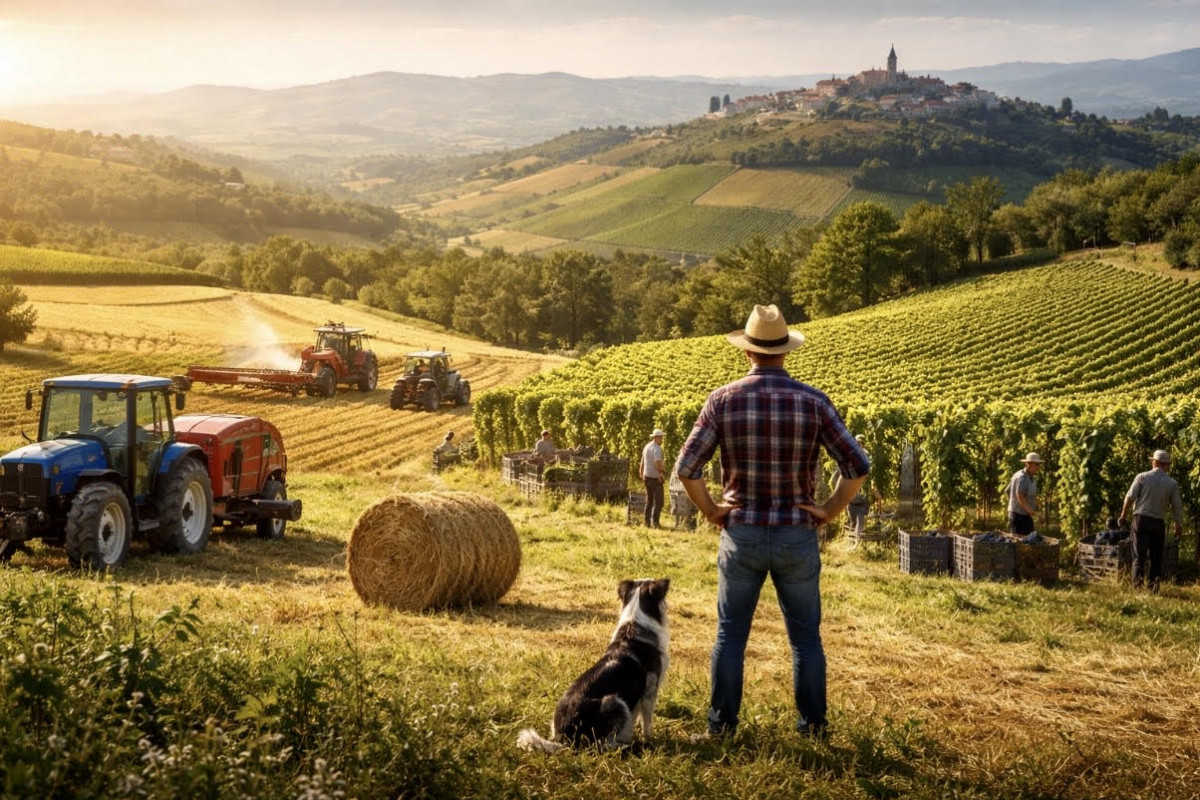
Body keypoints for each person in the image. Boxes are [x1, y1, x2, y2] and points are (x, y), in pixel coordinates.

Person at [676, 303, 869, 741]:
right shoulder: (813, 401)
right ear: (785, 352)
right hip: (795, 535)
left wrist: (712, 511)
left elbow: (687, 468)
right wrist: (829, 510)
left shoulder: (722, 400)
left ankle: (721, 728)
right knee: (805, 639)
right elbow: (856, 465)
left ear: (747, 352)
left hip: (740, 532)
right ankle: (813, 729)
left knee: (730, 635)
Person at [1118, 449, 1183, 591]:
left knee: (1138, 557)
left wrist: (1123, 516)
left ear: (1155, 462)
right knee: (1155, 557)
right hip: (1158, 523)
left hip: (1141, 520)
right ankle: (1153, 587)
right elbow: (1177, 506)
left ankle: (1138, 587)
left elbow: (1130, 498)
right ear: (1166, 465)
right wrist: (1179, 525)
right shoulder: (1172, 483)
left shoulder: (1142, 477)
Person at [1006, 453, 1043, 535]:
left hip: (1025, 514)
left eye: (1039, 464)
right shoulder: (1022, 477)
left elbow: (1008, 490)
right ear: (1028, 464)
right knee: (1019, 542)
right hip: (1018, 515)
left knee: (1030, 539)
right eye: (1036, 464)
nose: (1038, 467)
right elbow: (1019, 495)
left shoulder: (1031, 477)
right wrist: (1030, 511)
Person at [640, 429, 666, 528]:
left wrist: (641, 472)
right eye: (661, 438)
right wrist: (661, 473)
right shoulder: (657, 449)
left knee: (649, 500)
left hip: (646, 477)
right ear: (657, 438)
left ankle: (646, 522)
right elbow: (657, 463)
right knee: (659, 501)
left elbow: (642, 460)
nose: (662, 440)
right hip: (655, 478)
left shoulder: (647, 446)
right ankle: (656, 523)